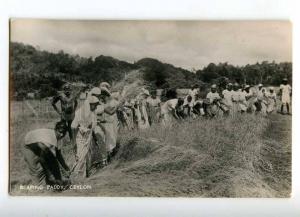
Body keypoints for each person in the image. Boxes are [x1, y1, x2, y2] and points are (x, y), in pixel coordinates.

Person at [23, 121, 71, 188]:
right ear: (56, 129)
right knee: (35, 170)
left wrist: (66, 167)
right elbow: (42, 158)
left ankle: (49, 184)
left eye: (64, 133)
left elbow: (58, 155)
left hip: (39, 145)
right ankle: (37, 189)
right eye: (60, 132)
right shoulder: (49, 138)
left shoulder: (58, 138)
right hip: (29, 145)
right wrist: (49, 174)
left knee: (51, 163)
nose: (61, 135)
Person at [71, 96, 99, 178]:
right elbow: (73, 127)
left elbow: (91, 129)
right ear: (90, 104)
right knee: (80, 158)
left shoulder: (93, 113)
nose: (96, 107)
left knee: (86, 157)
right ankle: (75, 176)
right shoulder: (79, 113)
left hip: (88, 138)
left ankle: (83, 176)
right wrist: (73, 142)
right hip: (80, 139)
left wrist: (95, 138)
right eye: (95, 105)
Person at [99, 86, 121, 160]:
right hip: (107, 121)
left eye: (104, 95)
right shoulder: (102, 104)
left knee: (114, 135)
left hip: (113, 120)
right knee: (109, 137)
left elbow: (113, 109)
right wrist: (116, 107)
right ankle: (109, 154)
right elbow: (110, 112)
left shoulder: (111, 101)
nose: (102, 97)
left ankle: (112, 152)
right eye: (102, 95)